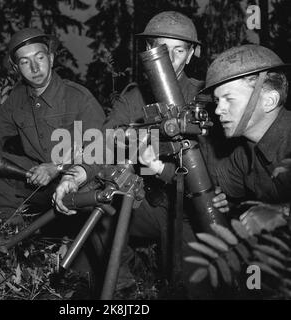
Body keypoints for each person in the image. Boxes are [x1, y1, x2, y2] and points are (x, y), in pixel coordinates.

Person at [53, 12, 228, 297]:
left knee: (192, 290)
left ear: (192, 53)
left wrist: (223, 191)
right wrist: (75, 176)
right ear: (149, 51)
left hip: (190, 213)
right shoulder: (134, 97)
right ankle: (122, 285)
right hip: (146, 202)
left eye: (179, 50)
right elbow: (104, 142)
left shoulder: (207, 98)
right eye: (161, 49)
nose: (169, 59)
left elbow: (229, 161)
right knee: (92, 190)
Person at [0, 28, 105, 224]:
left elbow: (101, 148)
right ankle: (14, 239)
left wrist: (57, 167)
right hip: (39, 179)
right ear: (17, 69)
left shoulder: (78, 98)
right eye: (25, 62)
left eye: (40, 57)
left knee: (102, 246)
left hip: (80, 181)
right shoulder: (18, 99)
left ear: (51, 59)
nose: (35, 68)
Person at [143, 44, 291, 205]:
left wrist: (276, 215)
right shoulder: (245, 153)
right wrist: (157, 166)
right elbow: (213, 182)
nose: (219, 110)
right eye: (218, 101)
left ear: (269, 101)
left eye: (230, 99)